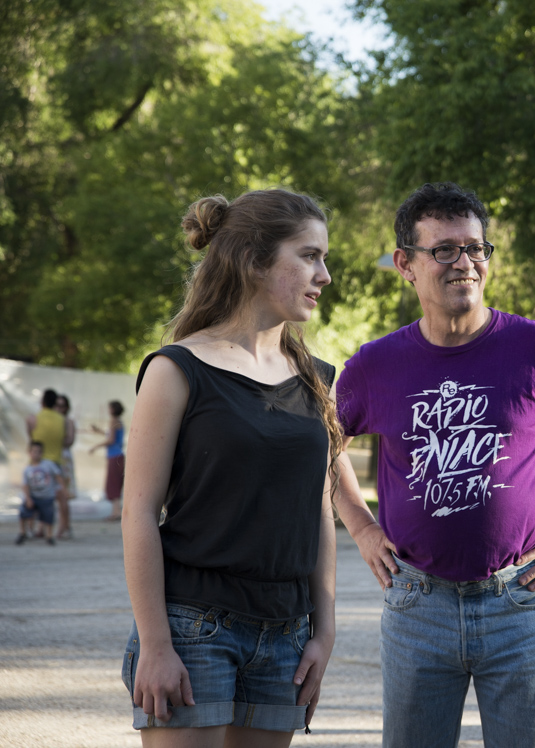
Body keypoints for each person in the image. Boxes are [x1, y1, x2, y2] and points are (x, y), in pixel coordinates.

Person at [333, 182, 535, 748]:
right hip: (416, 604)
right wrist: (359, 523)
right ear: (405, 264)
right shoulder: (375, 365)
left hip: (518, 600)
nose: (465, 264)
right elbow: (321, 442)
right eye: (445, 250)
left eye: (476, 248)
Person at [120, 189, 340, 745]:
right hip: (192, 629)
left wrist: (324, 632)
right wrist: (156, 643)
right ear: (254, 259)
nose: (325, 275)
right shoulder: (177, 370)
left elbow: (319, 507)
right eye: (309, 256)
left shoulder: (316, 379)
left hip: (286, 636)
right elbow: (139, 512)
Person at [26, 389, 69, 535]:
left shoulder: (33, 419)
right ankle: (63, 527)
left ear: (42, 402)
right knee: (61, 497)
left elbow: (31, 439)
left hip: (37, 463)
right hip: (56, 462)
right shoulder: (63, 420)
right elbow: (67, 441)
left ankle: (35, 528)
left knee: (36, 496)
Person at [18, 441, 63, 546]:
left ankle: (49, 536)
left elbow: (58, 476)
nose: (36, 454)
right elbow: (25, 485)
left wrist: (62, 489)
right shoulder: (27, 469)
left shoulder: (48, 465)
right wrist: (28, 498)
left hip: (47, 497)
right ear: (29, 453)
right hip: (34, 497)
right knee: (23, 513)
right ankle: (22, 533)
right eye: (34, 451)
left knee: (49, 517)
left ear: (42, 453)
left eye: (38, 452)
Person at [90, 401, 126, 521]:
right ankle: (116, 511)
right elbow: (111, 436)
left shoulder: (113, 421)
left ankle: (115, 513)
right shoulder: (119, 422)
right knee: (117, 483)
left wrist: (95, 447)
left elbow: (110, 440)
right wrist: (98, 431)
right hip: (120, 456)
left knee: (113, 483)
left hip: (114, 456)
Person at [54, 393, 76, 539]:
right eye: (57, 405)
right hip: (55, 458)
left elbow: (70, 441)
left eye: (62, 405)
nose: (59, 408)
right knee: (58, 495)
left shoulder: (68, 422)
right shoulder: (55, 420)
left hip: (64, 460)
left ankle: (64, 526)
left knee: (64, 495)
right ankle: (65, 525)